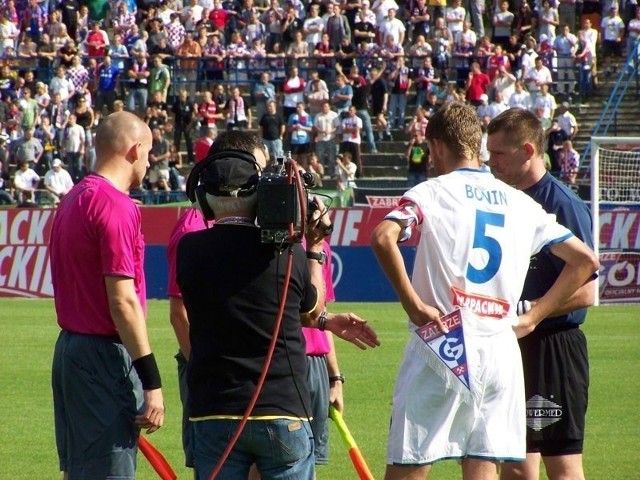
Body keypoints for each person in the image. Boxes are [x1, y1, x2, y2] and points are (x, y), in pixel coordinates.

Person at [370, 102, 599, 480]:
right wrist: (531, 317)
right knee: (482, 464)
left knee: (409, 463)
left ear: (438, 146)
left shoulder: (431, 192)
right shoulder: (521, 202)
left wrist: (413, 304)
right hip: (500, 350)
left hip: (442, 344)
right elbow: (586, 261)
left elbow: (384, 236)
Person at [176, 131, 379, 479]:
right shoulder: (288, 254)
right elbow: (311, 309)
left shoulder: (188, 250)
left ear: (205, 199)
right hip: (284, 407)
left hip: (214, 410)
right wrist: (313, 248)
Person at [50, 111, 165, 479]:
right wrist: (152, 381)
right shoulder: (116, 205)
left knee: (81, 470)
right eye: (148, 152)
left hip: (71, 351)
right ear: (134, 150)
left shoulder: (72, 199)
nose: (148, 162)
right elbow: (122, 300)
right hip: (103, 358)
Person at [488, 109, 595, 480]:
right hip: (511, 345)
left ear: (528, 150)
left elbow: (588, 291)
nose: (491, 162)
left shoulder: (561, 203)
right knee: (515, 466)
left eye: (499, 154)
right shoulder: (500, 200)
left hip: (553, 347)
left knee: (562, 467)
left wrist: (531, 311)